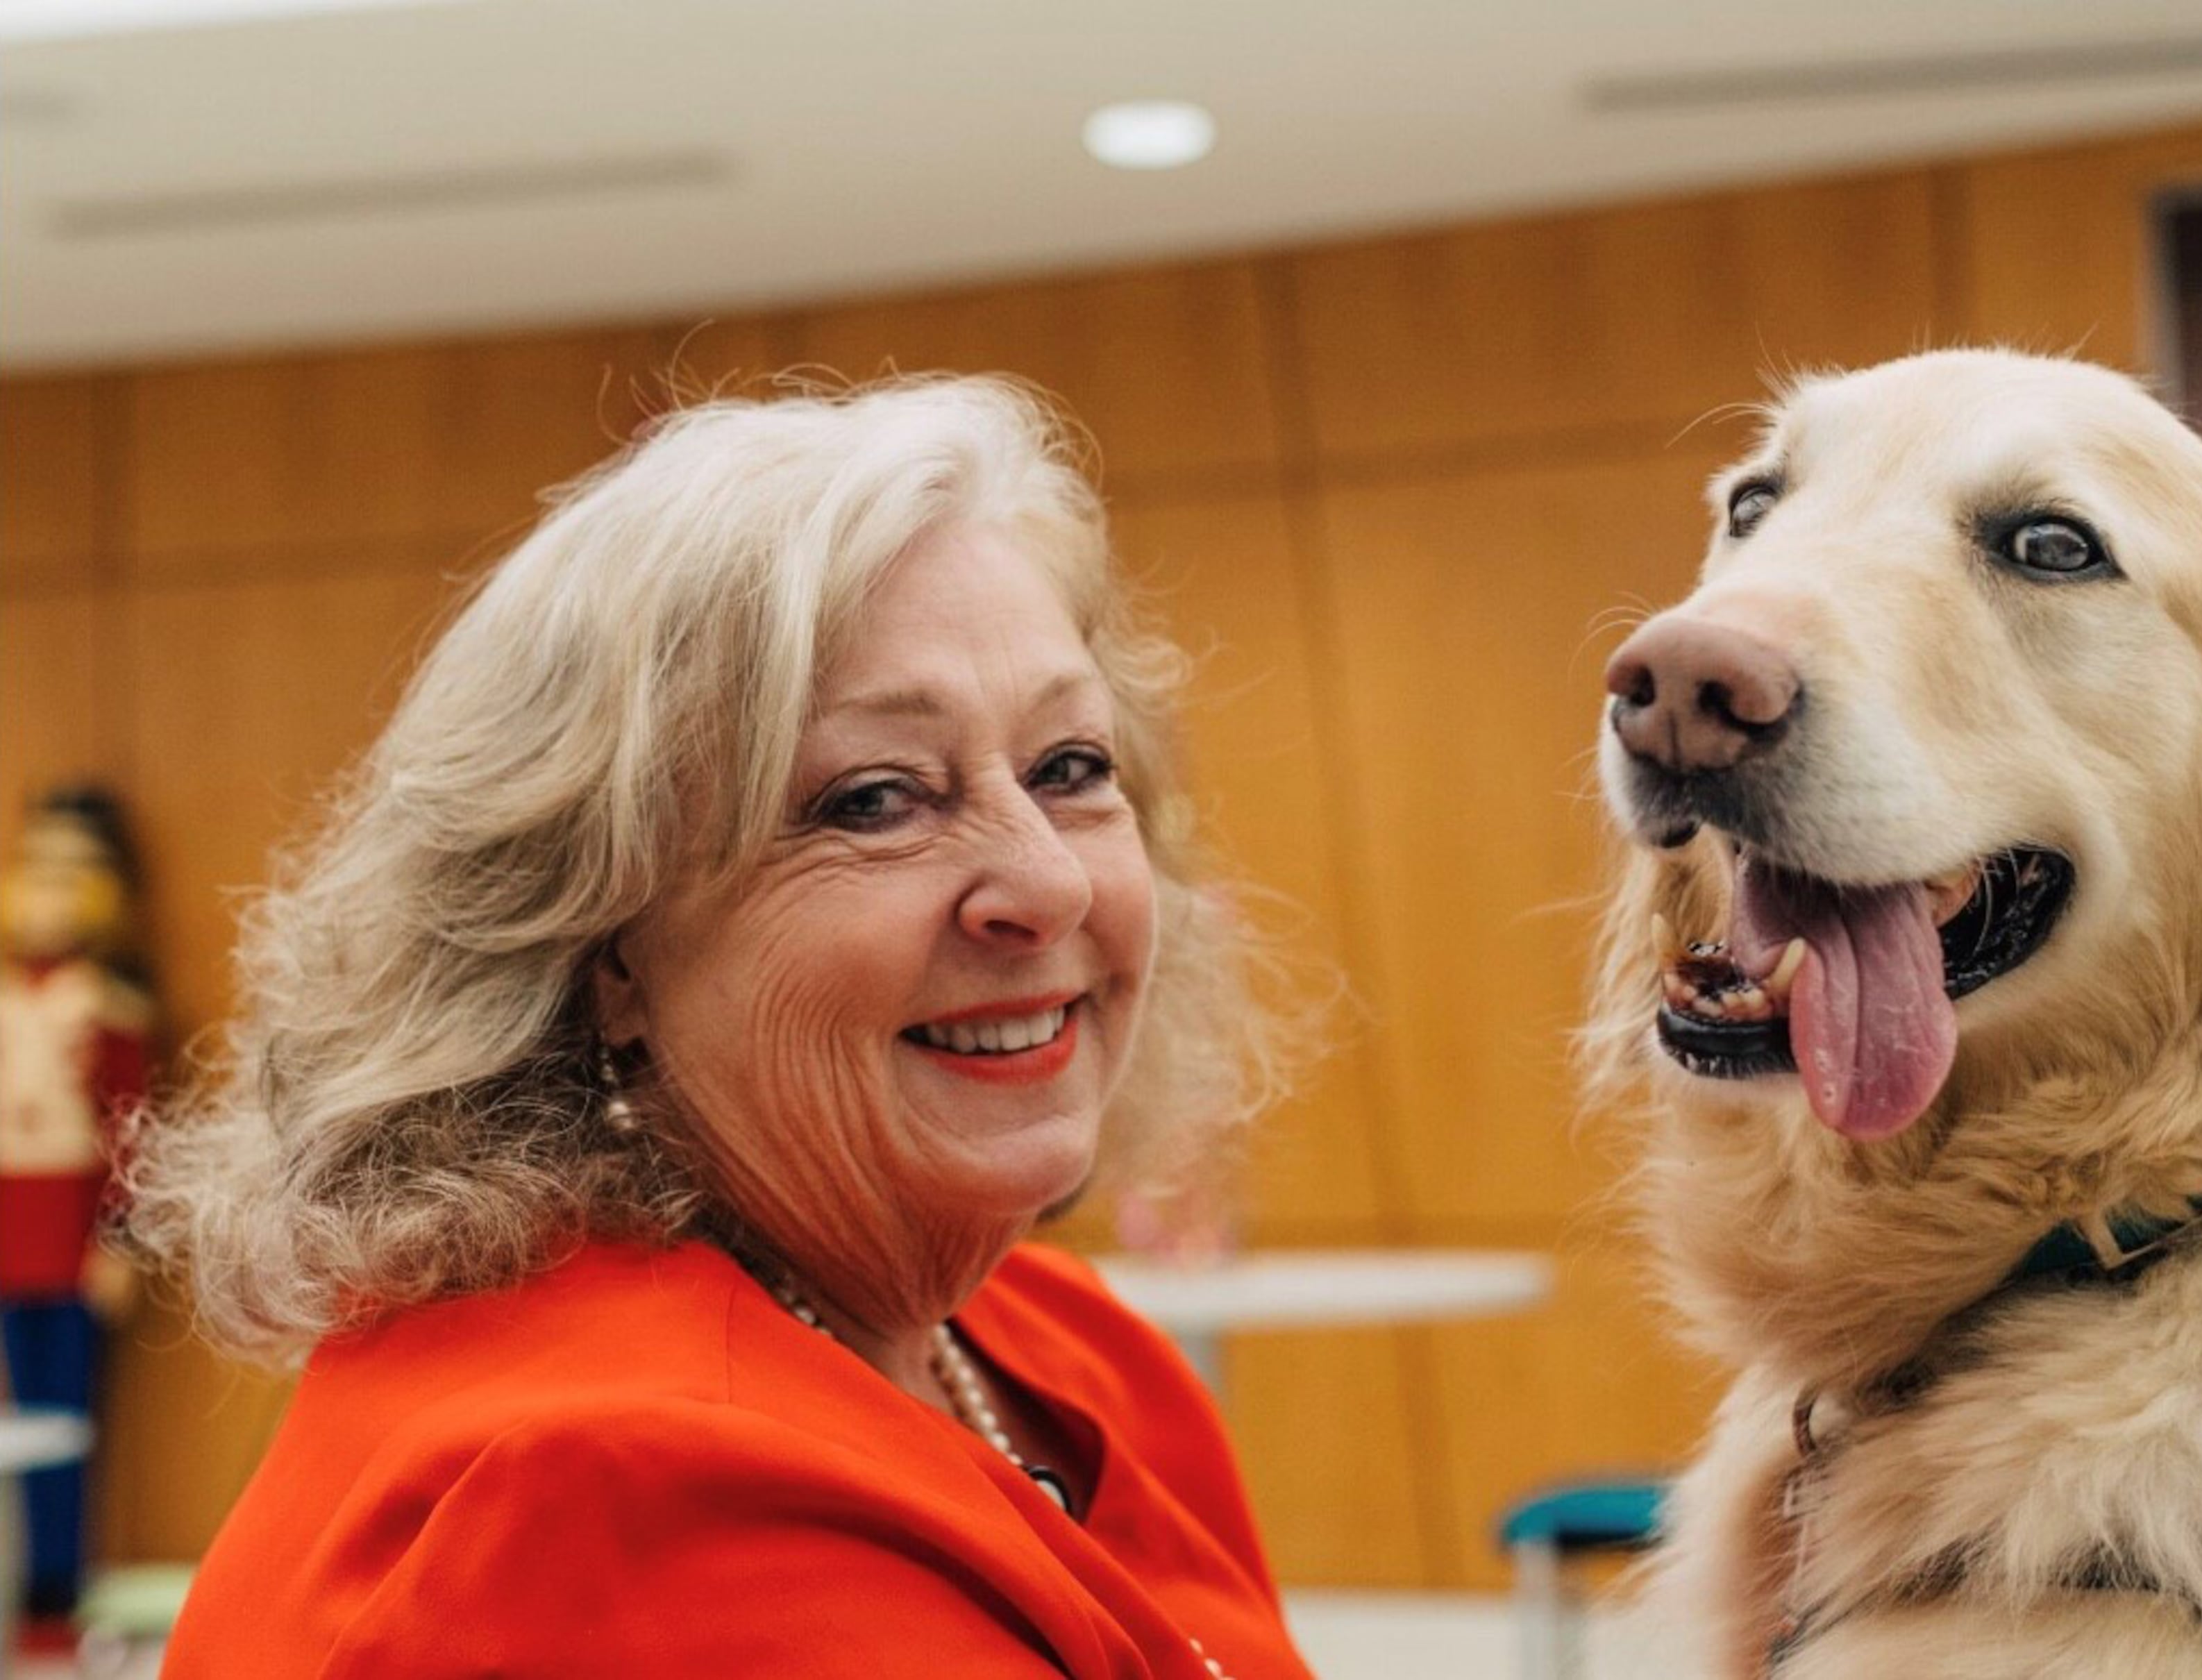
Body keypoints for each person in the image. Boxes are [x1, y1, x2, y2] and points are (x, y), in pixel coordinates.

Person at [124, 377, 1312, 1678]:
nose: (1051, 884)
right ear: (605, 947)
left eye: (1070, 769)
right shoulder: (610, 1498)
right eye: (874, 801)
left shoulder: (1062, 1347)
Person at [0, 786, 151, 1635]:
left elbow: (130, 1130)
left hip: (69, 1238)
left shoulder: (107, 1004)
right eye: (37, 871)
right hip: (9, 1231)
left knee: (64, 1420)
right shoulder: (11, 998)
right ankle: (25, 1579)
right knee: (17, 1425)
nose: (49, 895)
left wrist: (118, 1236)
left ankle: (58, 1587)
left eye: (73, 874)